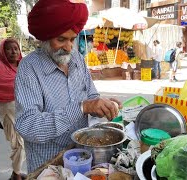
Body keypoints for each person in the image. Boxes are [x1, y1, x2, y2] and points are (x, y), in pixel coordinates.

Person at [14, 0, 122, 174]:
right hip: (48, 166)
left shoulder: (77, 58)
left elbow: (91, 95)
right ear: (45, 38)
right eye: (61, 39)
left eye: (72, 39)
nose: (69, 47)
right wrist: (82, 107)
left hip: (81, 158)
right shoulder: (29, 68)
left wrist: (100, 105)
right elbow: (29, 126)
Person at [0, 38, 26, 180]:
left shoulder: (24, 67)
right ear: (3, 51)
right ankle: (16, 175)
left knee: (26, 142)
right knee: (18, 144)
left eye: (16, 48)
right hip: (7, 109)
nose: (13, 51)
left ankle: (16, 172)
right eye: (9, 49)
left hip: (24, 109)